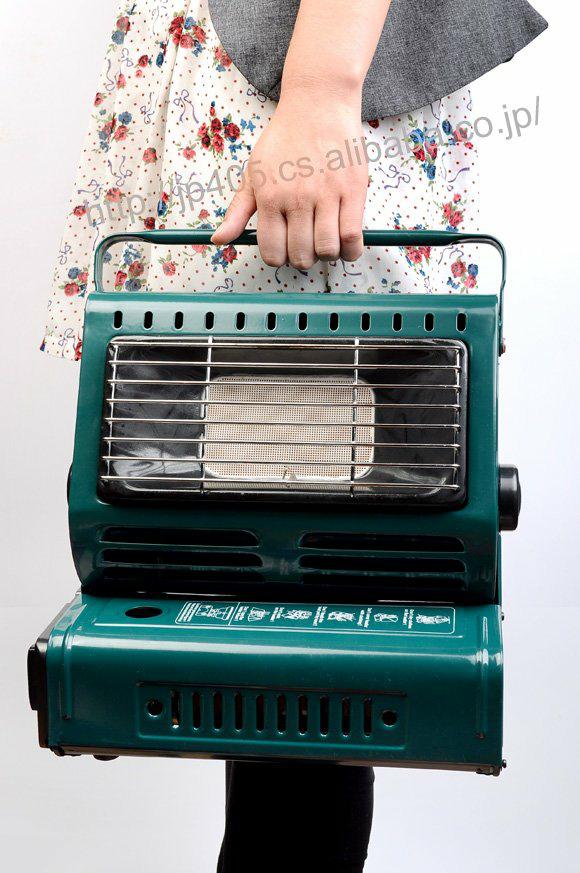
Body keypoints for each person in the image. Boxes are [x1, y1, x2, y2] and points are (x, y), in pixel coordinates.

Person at [41, 1, 546, 870]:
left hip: (284, 95)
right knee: (261, 613)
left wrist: (319, 93)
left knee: (315, 618)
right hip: (237, 83)